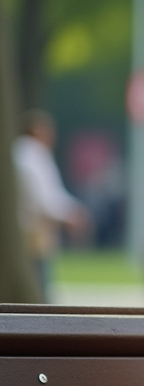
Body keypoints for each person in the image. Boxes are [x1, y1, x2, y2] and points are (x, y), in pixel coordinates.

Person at [12, 110, 89, 301]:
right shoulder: (31, 155)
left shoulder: (28, 153)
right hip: (32, 228)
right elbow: (44, 199)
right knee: (39, 276)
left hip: (32, 226)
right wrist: (69, 215)